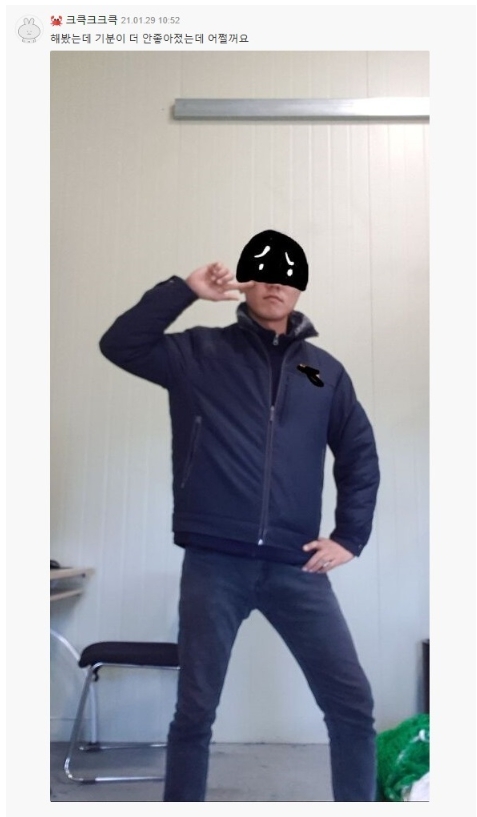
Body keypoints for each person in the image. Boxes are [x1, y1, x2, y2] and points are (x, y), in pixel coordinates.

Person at [99, 232, 380, 802]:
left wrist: (350, 536)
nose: (276, 282)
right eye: (264, 272)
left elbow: (358, 451)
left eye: (288, 274)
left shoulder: (320, 372)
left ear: (300, 288)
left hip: (296, 565)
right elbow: (120, 344)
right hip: (215, 563)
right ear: (246, 283)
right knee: (195, 711)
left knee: (352, 706)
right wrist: (184, 290)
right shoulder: (199, 353)